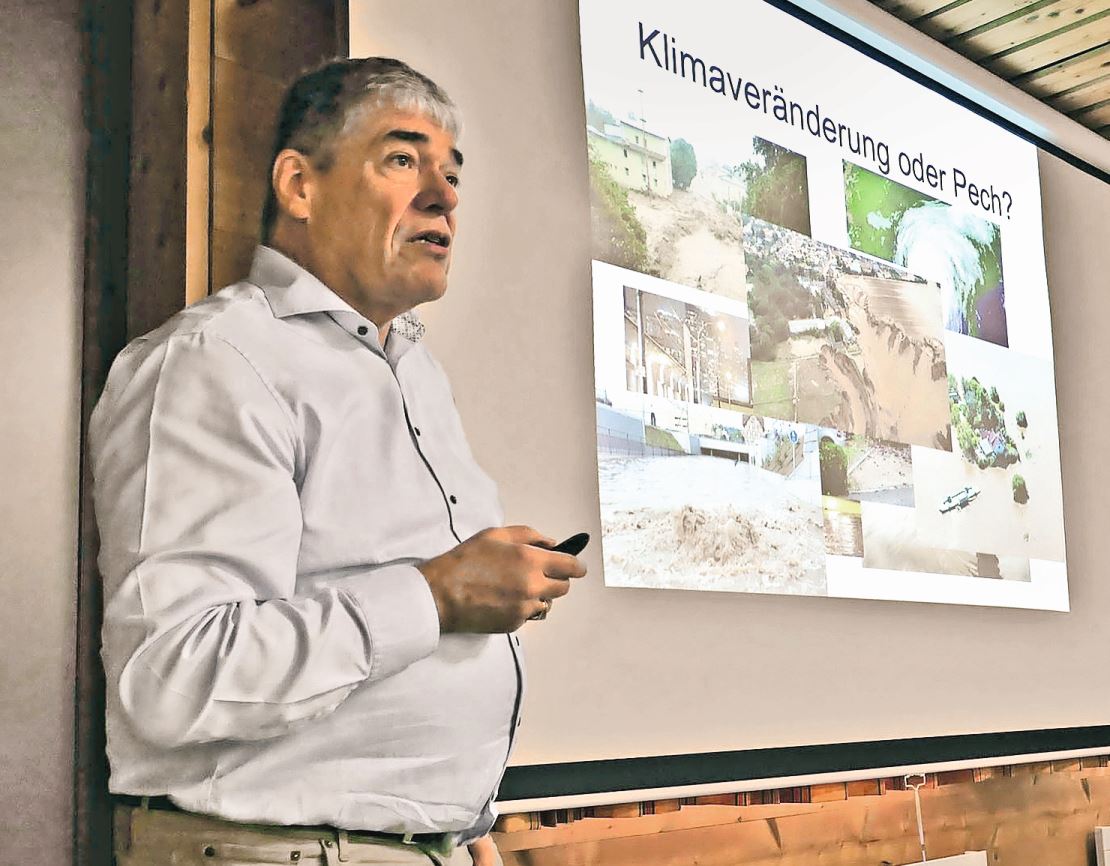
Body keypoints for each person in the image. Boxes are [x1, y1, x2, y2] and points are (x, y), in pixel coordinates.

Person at [90, 57, 587, 866]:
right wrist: (435, 596)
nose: (445, 195)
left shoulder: (415, 373)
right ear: (299, 185)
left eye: (452, 173)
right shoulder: (217, 359)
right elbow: (173, 679)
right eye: (402, 159)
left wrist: (458, 830)